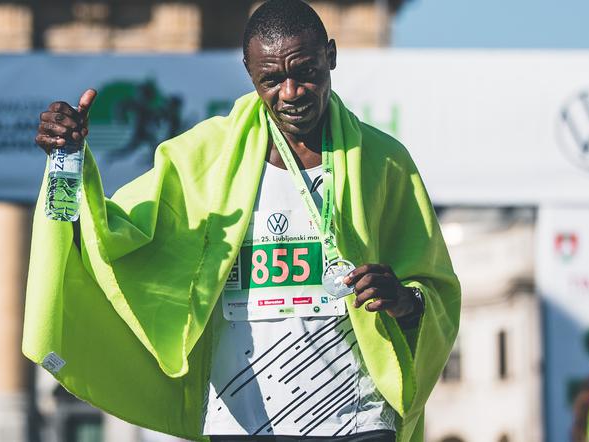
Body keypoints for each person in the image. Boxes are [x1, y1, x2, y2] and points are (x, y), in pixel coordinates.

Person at [25, 1, 460, 441]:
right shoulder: (201, 158)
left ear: (330, 55)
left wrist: (404, 300)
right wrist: (68, 160)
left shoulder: (384, 161)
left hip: (358, 418)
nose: (291, 92)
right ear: (249, 71)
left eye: (306, 70)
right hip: (240, 419)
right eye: (271, 79)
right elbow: (108, 238)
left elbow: (436, 293)